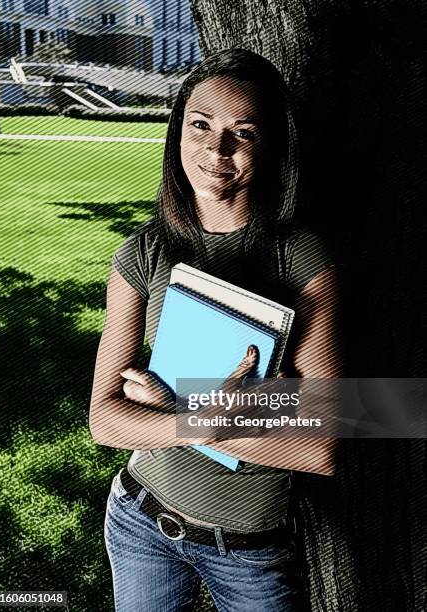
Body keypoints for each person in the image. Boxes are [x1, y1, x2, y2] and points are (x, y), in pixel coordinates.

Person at [89, 48, 342, 612]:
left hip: (248, 553)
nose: (215, 150)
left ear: (271, 145)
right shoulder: (144, 251)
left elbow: (321, 447)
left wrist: (167, 411)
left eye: (242, 133)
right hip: (140, 525)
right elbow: (104, 420)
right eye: (200, 125)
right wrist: (201, 423)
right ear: (177, 128)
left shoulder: (300, 259)